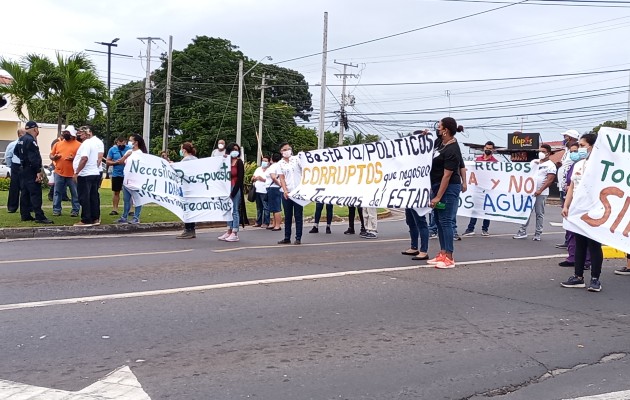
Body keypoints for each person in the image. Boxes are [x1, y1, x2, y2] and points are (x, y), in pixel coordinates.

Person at [561, 133, 603, 292]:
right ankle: (578, 277)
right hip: (578, 210)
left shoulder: (600, 165)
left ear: (592, 146)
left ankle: (595, 279)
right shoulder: (578, 165)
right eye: (579, 145)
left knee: (594, 245)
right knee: (580, 244)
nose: (579, 149)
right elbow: (572, 186)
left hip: (595, 210)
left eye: (583, 145)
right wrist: (566, 205)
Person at [427, 117, 464, 269]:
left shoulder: (452, 149)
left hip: (448, 188)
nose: (437, 128)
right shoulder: (439, 143)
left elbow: (447, 176)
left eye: (439, 126)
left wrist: (438, 197)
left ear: (445, 130)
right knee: (438, 220)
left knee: (446, 221)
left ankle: (449, 257)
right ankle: (442, 253)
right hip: (437, 185)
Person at [513, 144, 557, 241]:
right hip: (529, 192)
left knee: (539, 213)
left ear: (548, 153)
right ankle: (522, 231)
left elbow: (550, 180)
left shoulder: (551, 165)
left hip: (541, 193)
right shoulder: (534, 162)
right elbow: (525, 173)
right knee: (526, 212)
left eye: (543, 151)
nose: (541, 153)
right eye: (540, 151)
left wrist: (540, 190)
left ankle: (538, 233)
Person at [558, 142, 590, 269]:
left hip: (585, 205)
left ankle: (586, 261)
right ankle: (572, 257)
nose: (575, 153)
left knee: (585, 234)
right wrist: (566, 205)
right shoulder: (575, 165)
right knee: (571, 231)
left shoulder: (592, 165)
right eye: (572, 151)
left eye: (578, 149)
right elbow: (571, 185)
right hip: (572, 202)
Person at [14, 121, 53, 224]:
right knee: (35, 193)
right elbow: (34, 158)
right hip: (31, 170)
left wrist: (23, 159)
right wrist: (38, 171)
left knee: (25, 193)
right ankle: (39, 216)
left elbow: (16, 152)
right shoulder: (31, 140)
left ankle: (25, 215)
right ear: (35, 129)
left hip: (23, 169)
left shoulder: (21, 139)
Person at [463, 141, 498, 237]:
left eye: (490, 149)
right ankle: (470, 229)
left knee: (487, 209)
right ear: (484, 148)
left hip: (488, 188)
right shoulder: (477, 160)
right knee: (475, 208)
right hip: (477, 187)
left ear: (493, 150)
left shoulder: (495, 163)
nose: (488, 150)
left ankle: (485, 229)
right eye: (487, 148)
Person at [73, 126, 104, 227]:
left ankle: (86, 219)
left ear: (86, 134)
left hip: (85, 174)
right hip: (94, 172)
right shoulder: (93, 143)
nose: (79, 135)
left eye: (81, 133)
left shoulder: (86, 144)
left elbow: (84, 158)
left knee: (84, 197)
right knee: (93, 196)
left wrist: (77, 172)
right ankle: (95, 217)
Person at [555, 129, 580, 249]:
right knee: (565, 214)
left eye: (565, 136)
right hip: (563, 187)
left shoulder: (576, 154)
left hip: (570, 188)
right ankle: (568, 240)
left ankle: (571, 241)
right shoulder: (566, 151)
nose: (564, 138)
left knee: (569, 214)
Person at [218, 143, 248, 242]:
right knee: (228, 210)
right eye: (233, 149)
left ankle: (235, 232)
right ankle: (229, 230)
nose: (235, 151)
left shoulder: (239, 162)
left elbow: (240, 178)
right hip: (226, 187)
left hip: (235, 187)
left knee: (234, 210)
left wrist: (234, 191)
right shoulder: (227, 161)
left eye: (237, 149)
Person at [50, 125, 81, 217]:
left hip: (72, 173)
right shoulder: (58, 144)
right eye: (65, 133)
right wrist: (54, 157)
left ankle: (75, 210)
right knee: (57, 192)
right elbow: (51, 155)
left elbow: (82, 158)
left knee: (75, 193)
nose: (65, 134)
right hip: (59, 172)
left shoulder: (79, 145)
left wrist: (74, 158)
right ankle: (56, 209)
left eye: (68, 133)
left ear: (72, 135)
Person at [116, 134, 147, 224]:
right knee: (126, 199)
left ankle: (136, 217)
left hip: (136, 181)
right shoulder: (129, 151)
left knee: (137, 199)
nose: (129, 142)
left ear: (136, 142)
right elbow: (121, 162)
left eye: (131, 140)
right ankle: (124, 216)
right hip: (127, 179)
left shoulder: (141, 154)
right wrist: (126, 156)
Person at [277, 142, 303, 245]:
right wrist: (285, 190)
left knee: (298, 215)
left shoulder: (297, 160)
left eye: (288, 149)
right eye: (284, 149)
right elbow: (282, 178)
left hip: (298, 192)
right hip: (287, 192)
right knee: (288, 216)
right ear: (281, 152)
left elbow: (305, 169)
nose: (287, 151)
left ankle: (298, 237)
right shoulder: (280, 164)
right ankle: (287, 237)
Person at [177, 142, 199, 239]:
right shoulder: (195, 159)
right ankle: (192, 229)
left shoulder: (186, 160)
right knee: (191, 208)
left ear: (184, 150)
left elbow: (179, 172)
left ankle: (188, 230)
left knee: (186, 209)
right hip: (194, 188)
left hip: (186, 188)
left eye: (181, 149)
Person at [105, 137, 131, 216]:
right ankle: (114, 209)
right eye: (119, 143)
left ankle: (131, 210)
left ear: (125, 142)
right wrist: (115, 163)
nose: (120, 145)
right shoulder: (112, 149)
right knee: (116, 192)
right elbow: (107, 161)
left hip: (128, 174)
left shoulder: (130, 149)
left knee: (130, 193)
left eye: (122, 143)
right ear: (116, 143)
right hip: (117, 174)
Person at [4, 128, 24, 213]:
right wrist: (10, 166)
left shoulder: (12, 144)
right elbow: (8, 156)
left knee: (19, 187)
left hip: (20, 166)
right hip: (17, 165)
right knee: (17, 187)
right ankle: (14, 207)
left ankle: (14, 207)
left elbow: (8, 156)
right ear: (20, 135)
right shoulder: (13, 144)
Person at [252, 156, 271, 228]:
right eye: (263, 161)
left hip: (265, 191)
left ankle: (266, 222)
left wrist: (262, 179)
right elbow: (253, 177)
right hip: (257, 190)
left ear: (269, 162)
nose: (264, 162)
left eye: (265, 161)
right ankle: (258, 222)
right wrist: (254, 178)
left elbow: (269, 180)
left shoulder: (269, 170)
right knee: (259, 207)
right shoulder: (258, 169)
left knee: (266, 207)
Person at [266, 153, 283, 231]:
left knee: (276, 208)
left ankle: (277, 225)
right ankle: (274, 223)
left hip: (273, 188)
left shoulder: (273, 166)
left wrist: (279, 184)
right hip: (275, 188)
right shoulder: (280, 166)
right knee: (273, 207)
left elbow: (273, 177)